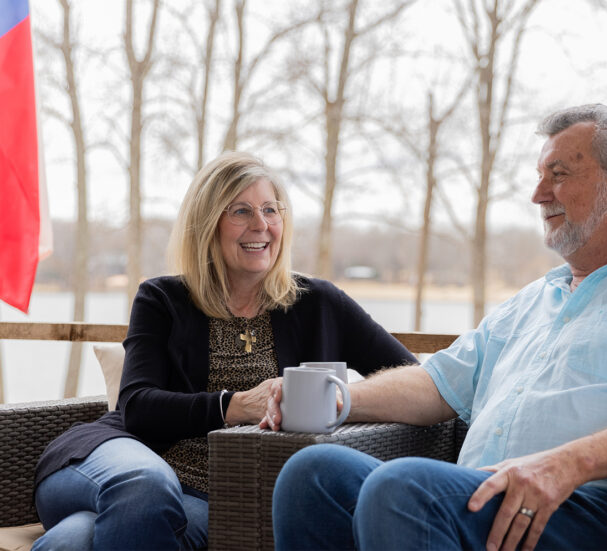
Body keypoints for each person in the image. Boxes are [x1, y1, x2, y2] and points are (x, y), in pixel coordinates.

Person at [263, 104, 607, 551]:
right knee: (313, 474)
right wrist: (338, 397)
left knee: (404, 488)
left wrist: (564, 464)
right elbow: (437, 384)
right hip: (483, 499)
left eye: (558, 175)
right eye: (540, 177)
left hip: (597, 512)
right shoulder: (536, 298)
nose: (538, 195)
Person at [31, 152, 416, 550]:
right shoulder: (163, 298)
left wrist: (337, 400)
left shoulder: (318, 303)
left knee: (74, 541)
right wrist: (237, 405)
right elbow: (138, 407)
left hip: (215, 496)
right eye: (241, 211)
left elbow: (412, 377)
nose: (261, 224)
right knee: (143, 487)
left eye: (270, 209)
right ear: (207, 223)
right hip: (120, 458)